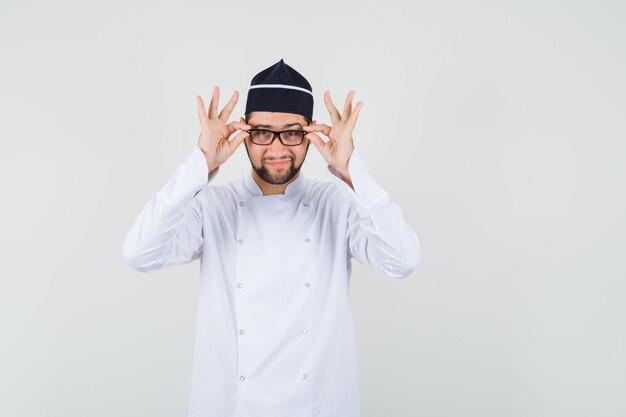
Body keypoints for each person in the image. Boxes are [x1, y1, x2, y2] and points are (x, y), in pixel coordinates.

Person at [122, 59, 421, 417]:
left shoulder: (336, 203)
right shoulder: (213, 205)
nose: (277, 149)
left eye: (292, 132)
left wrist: (352, 172)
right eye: (263, 132)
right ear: (244, 132)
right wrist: (200, 163)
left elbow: (403, 260)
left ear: (311, 134)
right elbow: (139, 254)